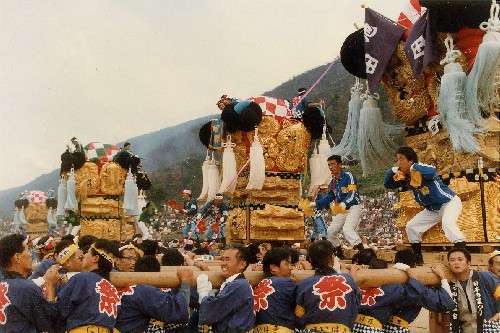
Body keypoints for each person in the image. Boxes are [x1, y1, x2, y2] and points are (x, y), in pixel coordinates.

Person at [384, 147, 466, 265]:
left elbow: (432, 171)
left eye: (401, 159)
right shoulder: (404, 176)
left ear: (410, 160)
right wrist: (393, 170)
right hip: (432, 209)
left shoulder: (420, 168)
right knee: (411, 226)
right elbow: (388, 184)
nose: (398, 162)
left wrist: (413, 168)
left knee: (447, 224)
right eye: (397, 160)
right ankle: (418, 258)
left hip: (449, 203)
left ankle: (462, 254)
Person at [383, 249, 457, 333]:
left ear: (394, 261)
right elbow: (446, 304)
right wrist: (443, 278)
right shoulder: (414, 284)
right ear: (414, 265)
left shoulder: (382, 277)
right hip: (397, 328)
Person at [56, 239, 121, 332]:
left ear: (95, 258)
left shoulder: (82, 278)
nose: (84, 255)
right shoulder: (112, 289)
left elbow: (60, 310)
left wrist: (50, 287)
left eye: (88, 252)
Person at [295, 240, 361, 332]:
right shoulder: (348, 280)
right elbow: (356, 305)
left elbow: (299, 315)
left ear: (310, 260)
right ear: (332, 258)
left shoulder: (303, 284)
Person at [0, 234, 61, 332]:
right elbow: (49, 323)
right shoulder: (26, 288)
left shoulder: (5, 285)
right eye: (27, 250)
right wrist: (50, 285)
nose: (30, 254)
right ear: (17, 257)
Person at [115, 256, 192, 333]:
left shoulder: (118, 282)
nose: (131, 262)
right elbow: (179, 312)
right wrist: (185, 283)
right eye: (129, 258)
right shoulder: (144, 290)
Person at [198, 245, 255, 332]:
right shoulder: (237, 283)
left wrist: (203, 293)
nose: (223, 263)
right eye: (222, 259)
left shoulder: (239, 285)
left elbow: (209, 313)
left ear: (242, 264)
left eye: (227, 259)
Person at [315, 155, 363, 254]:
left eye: (333, 164)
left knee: (347, 229)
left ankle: (362, 251)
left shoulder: (348, 176)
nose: (330, 167)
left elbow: (353, 193)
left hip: (354, 206)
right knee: (330, 232)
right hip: (342, 208)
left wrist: (344, 204)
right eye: (329, 165)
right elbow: (328, 198)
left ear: (340, 165)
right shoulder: (333, 182)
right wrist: (314, 204)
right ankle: (338, 251)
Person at [447, 247, 500, 332]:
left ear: (468, 263)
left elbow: (499, 292)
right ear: (449, 264)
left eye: (460, 259)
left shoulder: (484, 276)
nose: (456, 262)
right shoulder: (448, 284)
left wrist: (498, 314)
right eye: (452, 260)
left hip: (488, 328)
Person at [253, 248, 296, 332]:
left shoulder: (258, 284)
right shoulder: (286, 282)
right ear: (274, 268)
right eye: (287, 264)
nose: (291, 268)